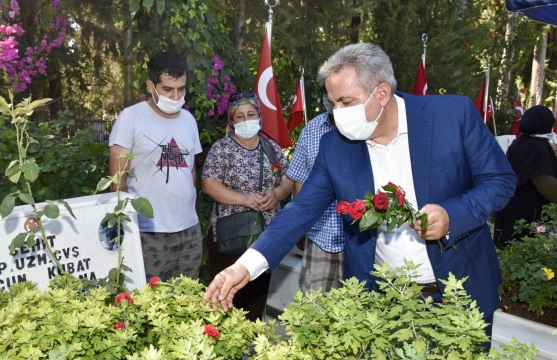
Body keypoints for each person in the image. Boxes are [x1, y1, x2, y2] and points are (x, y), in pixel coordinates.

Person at [203, 43, 516, 350]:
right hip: (381, 303)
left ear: (381, 93)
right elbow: (299, 213)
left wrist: (451, 216)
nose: (337, 114)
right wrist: (243, 267)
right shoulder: (335, 147)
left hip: (460, 294)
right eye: (332, 103)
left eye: (345, 102)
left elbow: (499, 180)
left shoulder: (451, 116)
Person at [109, 51, 202, 281]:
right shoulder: (131, 118)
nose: (176, 95)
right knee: (148, 309)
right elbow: (117, 183)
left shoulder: (189, 121)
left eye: (181, 89)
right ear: (151, 86)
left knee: (187, 304)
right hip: (148, 234)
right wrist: (131, 237)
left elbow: (191, 171)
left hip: (189, 232)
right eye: (168, 89)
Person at [201, 90, 293, 321]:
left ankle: (251, 349)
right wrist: (244, 199)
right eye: (239, 116)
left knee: (256, 297)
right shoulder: (222, 149)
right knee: (225, 296)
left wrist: (276, 193)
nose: (246, 120)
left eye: (251, 114)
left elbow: (288, 180)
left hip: (264, 237)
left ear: (259, 116)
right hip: (229, 236)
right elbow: (208, 185)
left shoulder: (272, 148)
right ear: (232, 121)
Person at [287, 86, 345, 292]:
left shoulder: (365, 128)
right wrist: (299, 226)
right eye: (329, 98)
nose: (334, 104)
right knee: (314, 307)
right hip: (320, 234)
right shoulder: (312, 129)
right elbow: (300, 181)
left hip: (359, 238)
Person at [494, 105, 557, 248]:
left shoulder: (521, 142)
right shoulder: (539, 148)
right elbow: (546, 184)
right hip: (528, 212)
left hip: (510, 207)